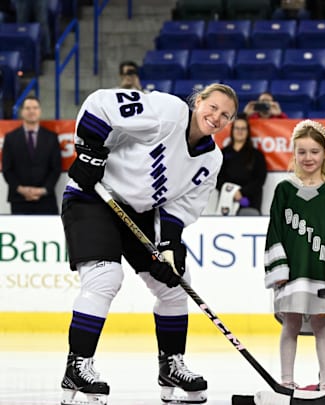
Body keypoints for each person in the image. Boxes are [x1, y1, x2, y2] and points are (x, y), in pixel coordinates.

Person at [60, 83, 238, 405]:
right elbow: (101, 105)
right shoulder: (167, 112)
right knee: (105, 277)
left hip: (140, 212)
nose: (216, 117)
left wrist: (170, 245)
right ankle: (77, 365)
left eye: (225, 115)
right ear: (198, 102)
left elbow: (180, 206)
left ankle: (171, 365)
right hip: (93, 197)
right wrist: (90, 151)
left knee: (173, 286)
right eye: (212, 107)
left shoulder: (211, 160)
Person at [263, 119, 325, 392]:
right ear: (294, 153)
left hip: (323, 274)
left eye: (314, 151)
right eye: (301, 151)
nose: (308, 157)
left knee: (324, 327)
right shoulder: (284, 190)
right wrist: (279, 271)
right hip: (292, 273)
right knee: (290, 324)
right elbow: (274, 231)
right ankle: (286, 380)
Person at [2, 95, 61, 214]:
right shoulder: (10, 138)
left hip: (46, 201)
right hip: (19, 200)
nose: (31, 111)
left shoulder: (51, 138)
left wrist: (42, 190)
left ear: (40, 111)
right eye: (28, 108)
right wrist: (22, 190)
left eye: (35, 108)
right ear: (22, 112)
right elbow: (7, 169)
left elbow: (55, 169)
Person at [216, 115, 268, 216]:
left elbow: (260, 179)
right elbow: (217, 178)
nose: (240, 131)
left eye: (243, 128)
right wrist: (233, 193)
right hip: (227, 200)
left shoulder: (256, 155)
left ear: (248, 132)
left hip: (250, 201)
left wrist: (241, 193)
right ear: (232, 130)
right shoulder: (222, 153)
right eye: (237, 128)